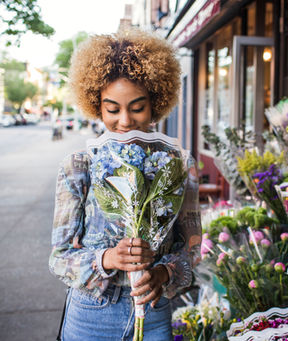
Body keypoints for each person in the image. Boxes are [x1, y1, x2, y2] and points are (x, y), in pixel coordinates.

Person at [49, 29, 202, 341]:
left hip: (155, 313)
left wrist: (164, 274)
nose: (125, 121)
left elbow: (193, 253)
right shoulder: (79, 165)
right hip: (90, 317)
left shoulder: (181, 165)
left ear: (156, 101)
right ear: (96, 105)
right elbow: (58, 257)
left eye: (137, 107)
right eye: (112, 108)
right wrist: (106, 259)